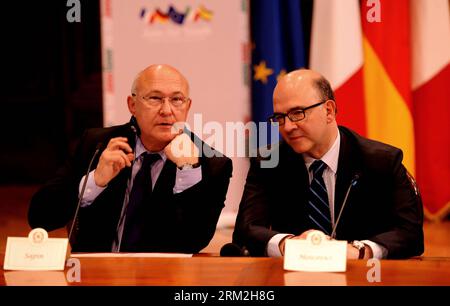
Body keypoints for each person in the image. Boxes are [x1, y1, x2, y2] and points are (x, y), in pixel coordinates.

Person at [29, 64, 232, 253]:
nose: (167, 110)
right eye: (155, 98)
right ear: (132, 105)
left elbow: (193, 242)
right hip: (96, 277)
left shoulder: (211, 164)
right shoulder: (97, 145)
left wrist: (187, 173)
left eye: (177, 100)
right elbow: (40, 217)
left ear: (187, 107)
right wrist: (95, 181)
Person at [232, 69, 423, 259]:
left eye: (297, 113)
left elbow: (410, 235)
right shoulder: (268, 163)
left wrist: (360, 251)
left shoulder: (381, 161)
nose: (288, 127)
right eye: (280, 118)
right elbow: (245, 231)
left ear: (329, 111)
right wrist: (287, 244)